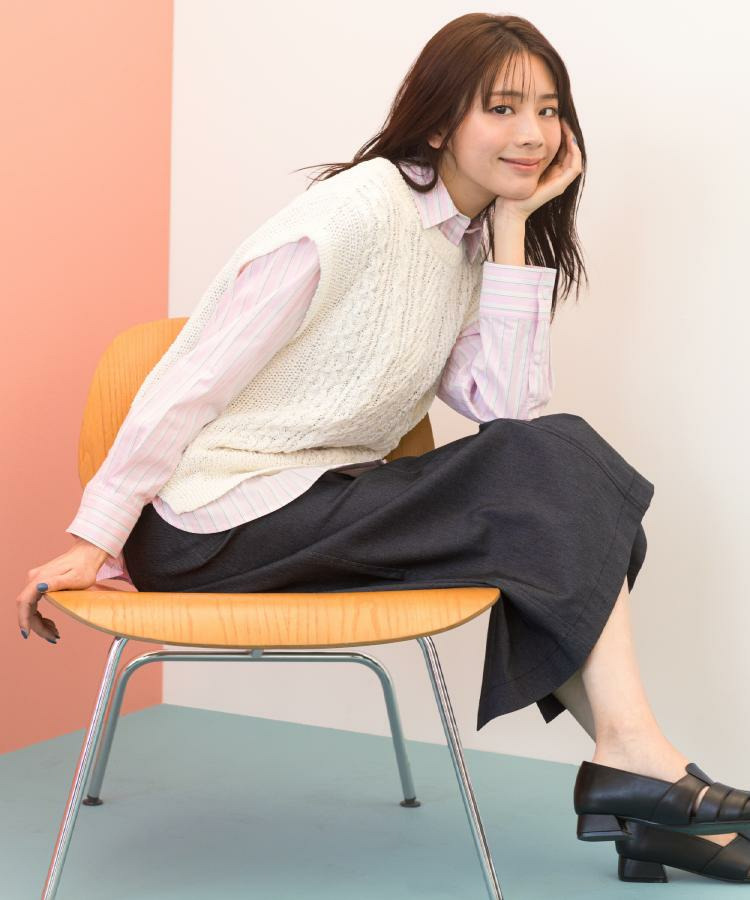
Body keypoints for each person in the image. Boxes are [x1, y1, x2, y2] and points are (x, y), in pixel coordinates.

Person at [17, 13, 750, 884]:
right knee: (557, 471)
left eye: (549, 110)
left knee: (568, 494)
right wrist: (96, 534)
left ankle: (641, 786)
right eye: (503, 108)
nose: (532, 133)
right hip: (211, 520)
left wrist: (513, 229)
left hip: (315, 502)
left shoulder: (466, 240)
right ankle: (640, 774)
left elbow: (507, 413)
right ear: (438, 123)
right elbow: (190, 380)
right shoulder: (355, 214)